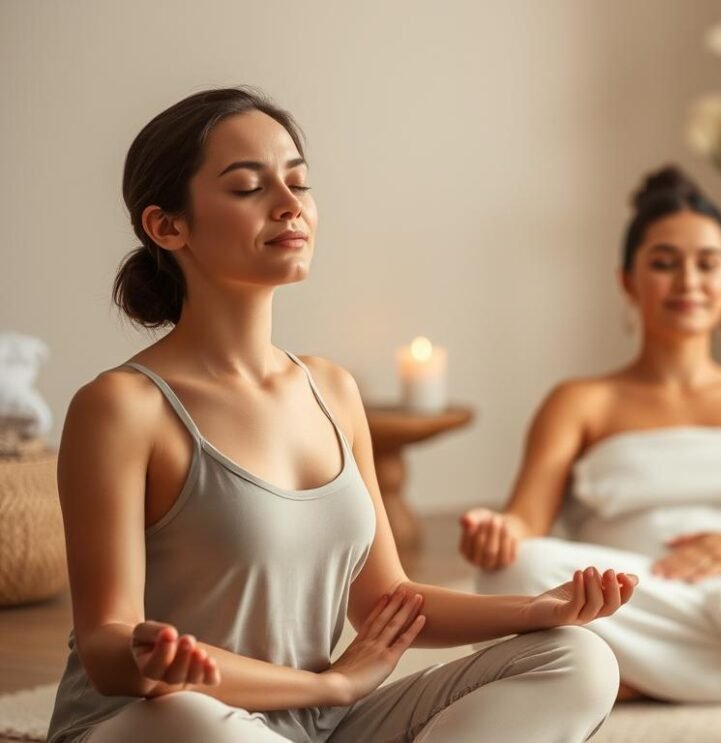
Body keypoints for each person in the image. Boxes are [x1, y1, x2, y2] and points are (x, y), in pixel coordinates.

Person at [48, 87, 635, 743]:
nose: (289, 203)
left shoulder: (331, 389)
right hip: (162, 725)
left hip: (317, 726)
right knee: (191, 719)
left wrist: (535, 609)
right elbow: (107, 647)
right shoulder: (121, 407)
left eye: (298, 182)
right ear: (167, 226)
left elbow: (387, 602)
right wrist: (329, 685)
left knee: (577, 658)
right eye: (248, 187)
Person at [458, 165, 721, 704]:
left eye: (707, 264)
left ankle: (641, 680)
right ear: (628, 280)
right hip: (639, 597)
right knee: (514, 572)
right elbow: (524, 523)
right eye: (665, 263)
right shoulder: (582, 401)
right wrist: (496, 533)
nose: (688, 281)